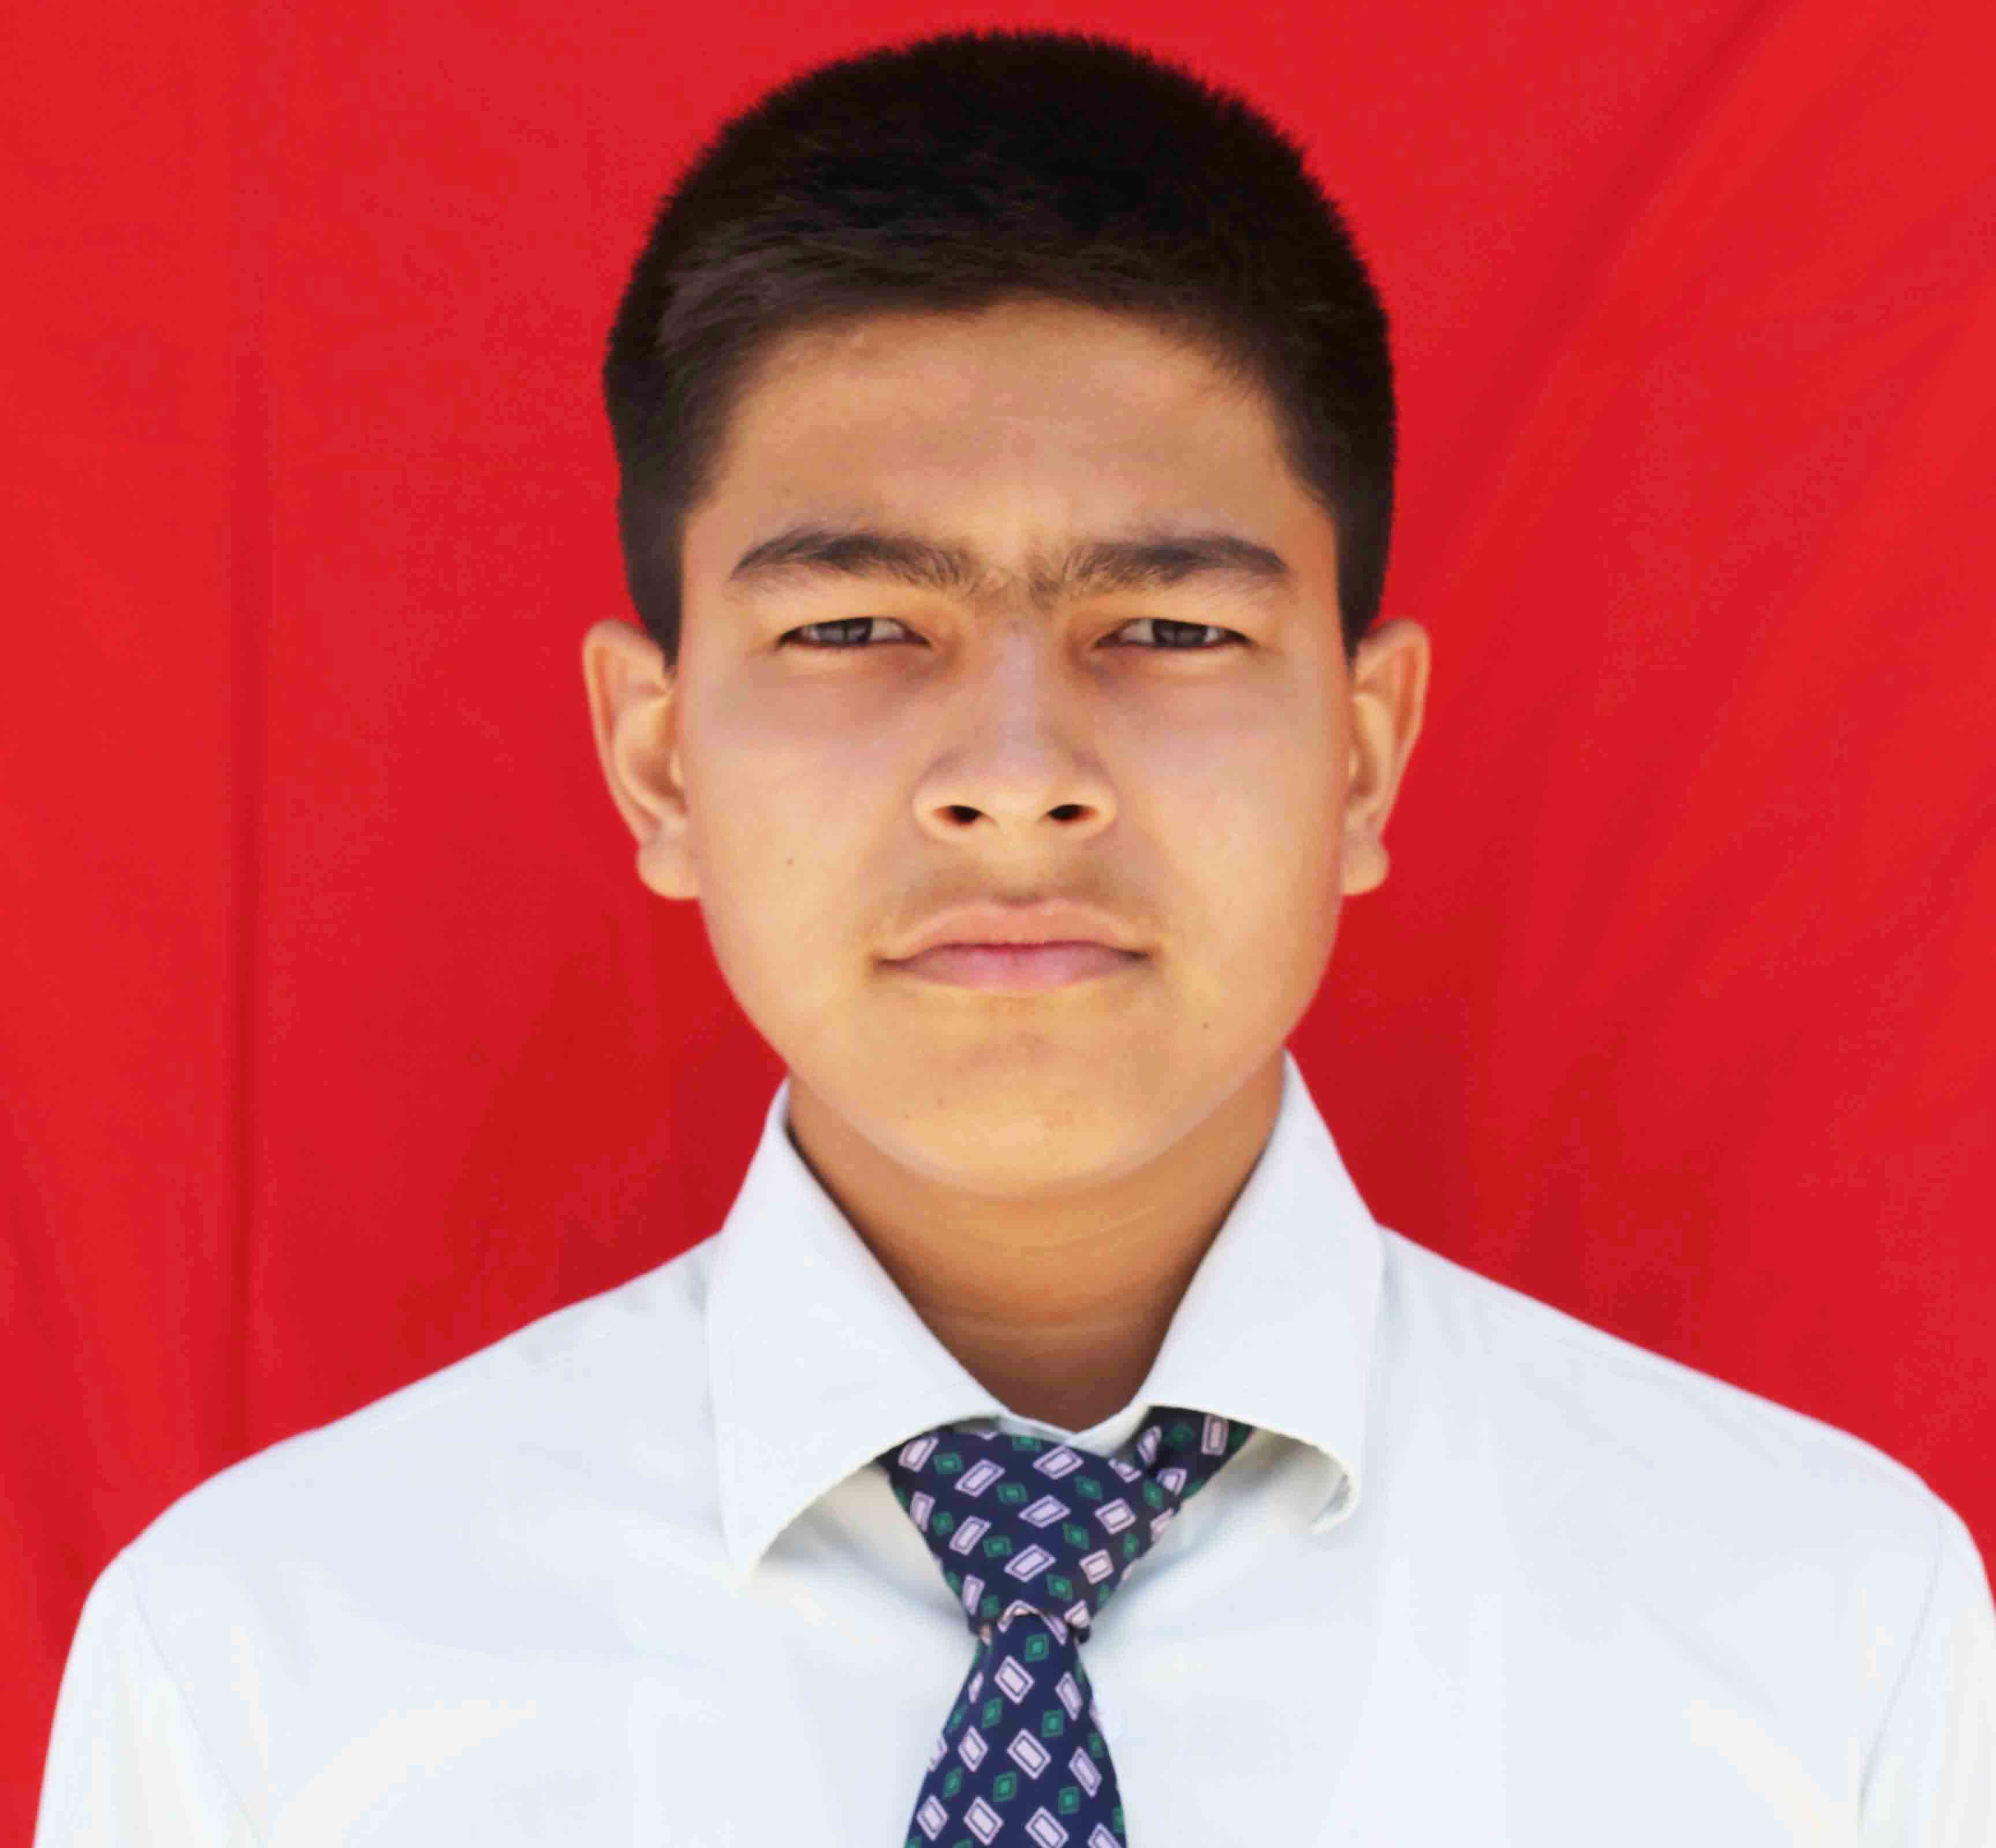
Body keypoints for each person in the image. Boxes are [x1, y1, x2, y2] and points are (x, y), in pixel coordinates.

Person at [35, 26, 1994, 1846]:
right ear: (658, 762)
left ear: (1363, 755)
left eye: (1172, 628)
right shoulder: (266, 1675)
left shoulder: (1828, 1641)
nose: (1019, 776)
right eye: (854, 628)